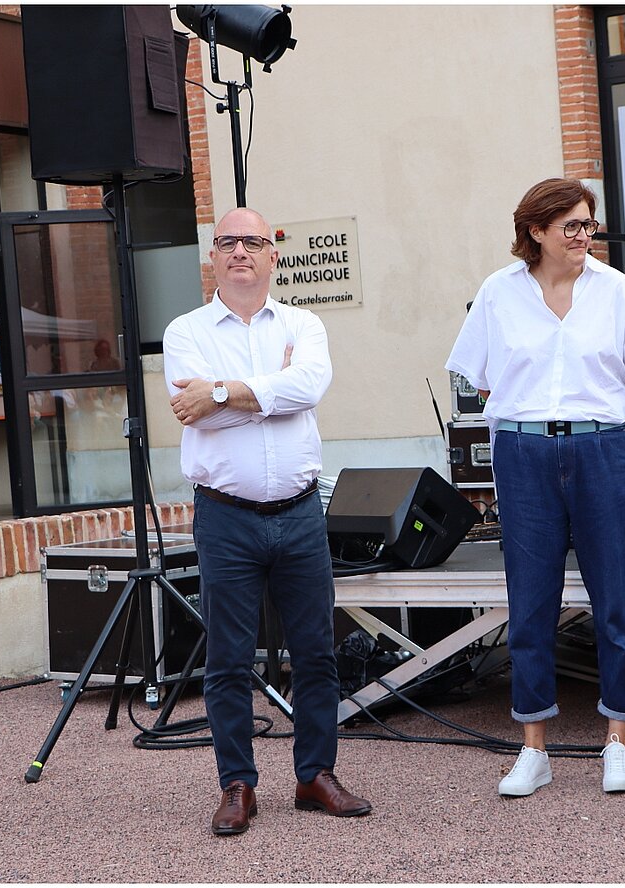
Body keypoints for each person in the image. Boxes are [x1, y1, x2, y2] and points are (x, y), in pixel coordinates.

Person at [162, 207, 371, 835]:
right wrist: (271, 390)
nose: (240, 252)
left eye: (252, 242)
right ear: (213, 256)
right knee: (228, 659)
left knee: (316, 654)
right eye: (227, 242)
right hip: (226, 518)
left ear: (272, 255)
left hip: (301, 514)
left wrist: (223, 392)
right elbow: (192, 410)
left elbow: (310, 387)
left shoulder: (304, 324)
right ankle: (237, 785)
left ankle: (315, 776)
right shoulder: (185, 331)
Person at [446, 178, 625, 797]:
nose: (583, 235)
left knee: (615, 599)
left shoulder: (615, 289)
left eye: (588, 224)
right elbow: (485, 380)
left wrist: (592, 420)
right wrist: (535, 415)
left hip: (601, 448)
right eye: (571, 226)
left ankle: (618, 741)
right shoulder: (498, 291)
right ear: (535, 231)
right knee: (530, 603)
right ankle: (533, 747)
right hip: (524, 452)